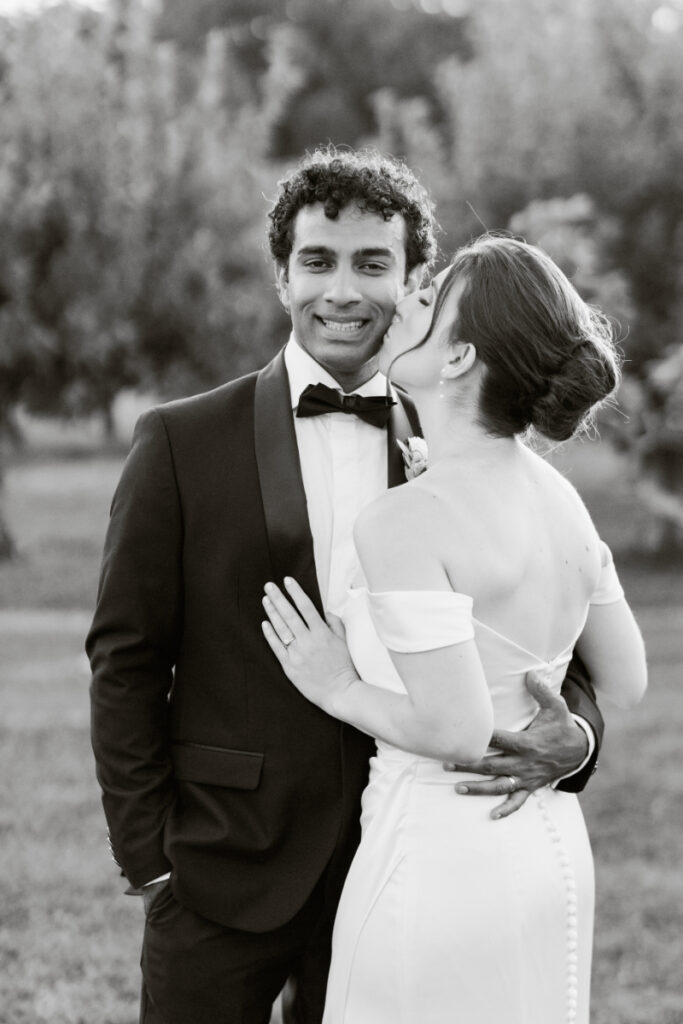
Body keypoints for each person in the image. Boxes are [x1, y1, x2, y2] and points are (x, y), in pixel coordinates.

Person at [87, 149, 605, 1024]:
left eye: (372, 264)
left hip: (410, 865)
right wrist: (153, 860)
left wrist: (579, 739)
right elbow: (126, 659)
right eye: (317, 262)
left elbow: (551, 632)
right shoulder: (179, 441)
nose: (342, 291)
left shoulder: (478, 450)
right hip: (221, 870)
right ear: (282, 274)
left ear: (415, 283)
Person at [261, 233, 648, 1024]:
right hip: (547, 849)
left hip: (438, 857)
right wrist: (566, 729)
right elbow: (628, 677)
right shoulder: (558, 499)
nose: (406, 302)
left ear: (458, 358)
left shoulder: (409, 518)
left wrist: (338, 684)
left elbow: (457, 725)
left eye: (430, 302)